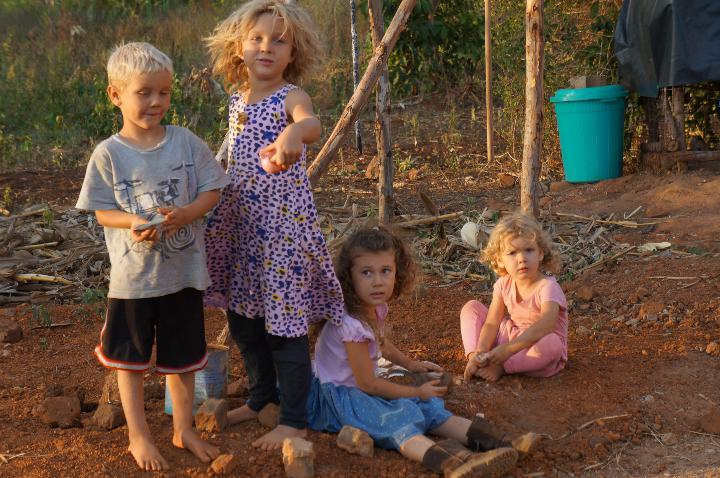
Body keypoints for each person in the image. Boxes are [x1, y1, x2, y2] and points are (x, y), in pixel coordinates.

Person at [76, 42, 229, 471]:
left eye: (164, 92)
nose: (156, 101)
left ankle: (183, 429)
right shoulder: (109, 154)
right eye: (144, 92)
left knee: (183, 361)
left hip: (183, 275)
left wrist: (187, 214)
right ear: (115, 95)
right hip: (134, 280)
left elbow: (213, 190)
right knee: (130, 363)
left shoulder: (186, 143)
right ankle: (138, 436)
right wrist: (132, 222)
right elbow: (102, 212)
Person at [203, 0, 345, 450]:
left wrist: (292, 133)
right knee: (244, 323)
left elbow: (311, 124)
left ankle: (293, 420)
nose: (266, 47)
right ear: (239, 48)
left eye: (278, 41)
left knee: (284, 327)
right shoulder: (236, 101)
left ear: (293, 52)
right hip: (243, 233)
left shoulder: (291, 98)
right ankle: (261, 398)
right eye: (257, 39)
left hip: (282, 235)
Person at [308, 227, 519, 477]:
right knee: (394, 421)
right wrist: (416, 391)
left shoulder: (372, 308)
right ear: (348, 277)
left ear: (397, 272)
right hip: (339, 397)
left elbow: (381, 344)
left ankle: (503, 442)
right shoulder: (351, 325)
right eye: (366, 272)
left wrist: (410, 364)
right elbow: (367, 384)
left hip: (359, 389)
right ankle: (455, 464)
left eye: (385, 271)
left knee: (430, 408)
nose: (377, 281)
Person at [462, 212, 568, 383]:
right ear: (499, 260)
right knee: (471, 307)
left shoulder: (548, 287)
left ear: (540, 253)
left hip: (536, 346)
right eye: (512, 253)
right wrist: (481, 350)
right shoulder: (504, 283)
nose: (522, 259)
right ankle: (476, 358)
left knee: (553, 343)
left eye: (529, 250)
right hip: (509, 339)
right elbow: (492, 322)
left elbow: (546, 325)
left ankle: (503, 367)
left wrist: (507, 351)